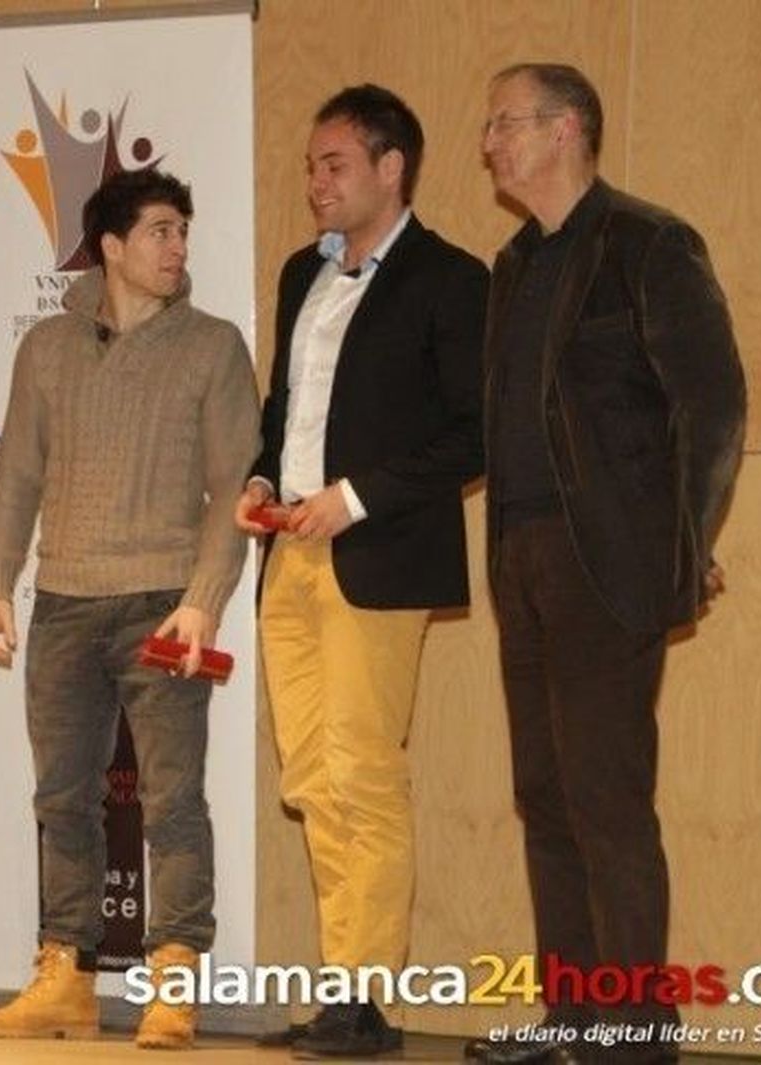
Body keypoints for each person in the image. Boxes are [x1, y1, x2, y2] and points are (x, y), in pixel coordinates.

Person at [464, 64, 746, 1065]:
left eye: (503, 123)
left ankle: (634, 1036)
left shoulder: (647, 244)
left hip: (607, 561)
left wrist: (683, 541)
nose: (489, 142)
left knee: (605, 802)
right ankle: (574, 1021)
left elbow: (710, 408)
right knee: (544, 797)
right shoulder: (513, 264)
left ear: (565, 128)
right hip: (522, 559)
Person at [0, 168, 260, 1051]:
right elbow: (16, 474)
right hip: (61, 600)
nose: (178, 249)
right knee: (62, 798)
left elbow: (233, 492)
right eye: (162, 232)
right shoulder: (47, 348)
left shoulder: (213, 346)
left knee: (171, 801)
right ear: (113, 246)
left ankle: (175, 980)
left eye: (183, 232)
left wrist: (204, 600)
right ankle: (65, 976)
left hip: (164, 602)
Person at [235, 83, 487, 1060]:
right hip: (287, 553)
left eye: (334, 164)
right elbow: (284, 404)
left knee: (362, 773)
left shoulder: (450, 278)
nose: (316, 183)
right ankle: (342, 984)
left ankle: (365, 997)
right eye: (310, 165)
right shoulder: (303, 274)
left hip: (373, 552)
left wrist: (356, 495)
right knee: (310, 777)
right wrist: (263, 474)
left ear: (392, 168)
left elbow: (471, 432)